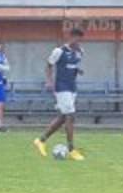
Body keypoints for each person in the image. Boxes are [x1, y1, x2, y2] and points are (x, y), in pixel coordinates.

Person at [33, 27, 86, 161]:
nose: (78, 41)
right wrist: (49, 81)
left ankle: (41, 140)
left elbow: (72, 66)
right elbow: (49, 65)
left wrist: (78, 71)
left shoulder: (80, 52)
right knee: (70, 116)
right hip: (61, 87)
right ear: (71, 37)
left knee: (63, 117)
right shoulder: (59, 51)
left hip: (72, 87)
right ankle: (71, 149)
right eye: (76, 38)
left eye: (80, 39)